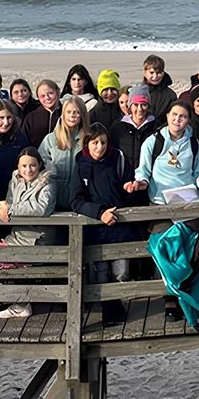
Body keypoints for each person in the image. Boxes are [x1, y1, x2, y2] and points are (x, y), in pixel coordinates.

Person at [73, 122, 131, 326]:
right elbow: (76, 200)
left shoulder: (118, 159)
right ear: (87, 143)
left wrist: (131, 187)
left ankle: (117, 307)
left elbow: (128, 184)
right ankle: (110, 312)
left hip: (119, 226)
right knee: (101, 271)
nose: (99, 147)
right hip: (96, 228)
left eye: (103, 142)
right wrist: (99, 213)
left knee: (121, 271)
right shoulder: (80, 163)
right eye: (95, 142)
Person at [0, 148, 56, 321]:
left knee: (6, 263)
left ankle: (21, 305)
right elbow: (7, 202)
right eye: (24, 166)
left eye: (32, 165)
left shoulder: (47, 183)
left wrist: (11, 208)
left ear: (39, 165)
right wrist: (0, 206)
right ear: (18, 167)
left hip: (37, 240)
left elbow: (42, 208)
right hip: (16, 237)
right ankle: (12, 301)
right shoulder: (15, 181)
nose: (28, 170)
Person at [136, 102, 199, 203]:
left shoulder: (194, 144)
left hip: (188, 202)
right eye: (174, 114)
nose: (177, 119)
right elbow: (143, 170)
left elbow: (197, 173)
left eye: (183, 116)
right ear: (167, 116)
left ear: (188, 120)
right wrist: (142, 182)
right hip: (159, 202)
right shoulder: (153, 141)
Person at [40, 97, 89, 210]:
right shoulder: (50, 139)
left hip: (81, 201)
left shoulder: (88, 140)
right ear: (63, 114)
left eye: (77, 112)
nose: (72, 115)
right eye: (69, 112)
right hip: (55, 199)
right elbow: (41, 167)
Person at [112, 84, 158, 189]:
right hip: (124, 182)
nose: (140, 109)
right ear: (130, 106)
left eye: (144, 104)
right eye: (135, 105)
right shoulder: (118, 128)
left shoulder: (156, 128)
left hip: (148, 183)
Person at [22, 79, 62, 147]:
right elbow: (23, 141)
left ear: (58, 92)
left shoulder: (67, 114)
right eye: (42, 96)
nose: (47, 98)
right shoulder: (31, 117)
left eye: (50, 93)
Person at [140, 55, 177, 125]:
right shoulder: (139, 92)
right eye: (151, 72)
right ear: (145, 73)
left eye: (159, 73)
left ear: (163, 73)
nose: (155, 76)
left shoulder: (171, 95)